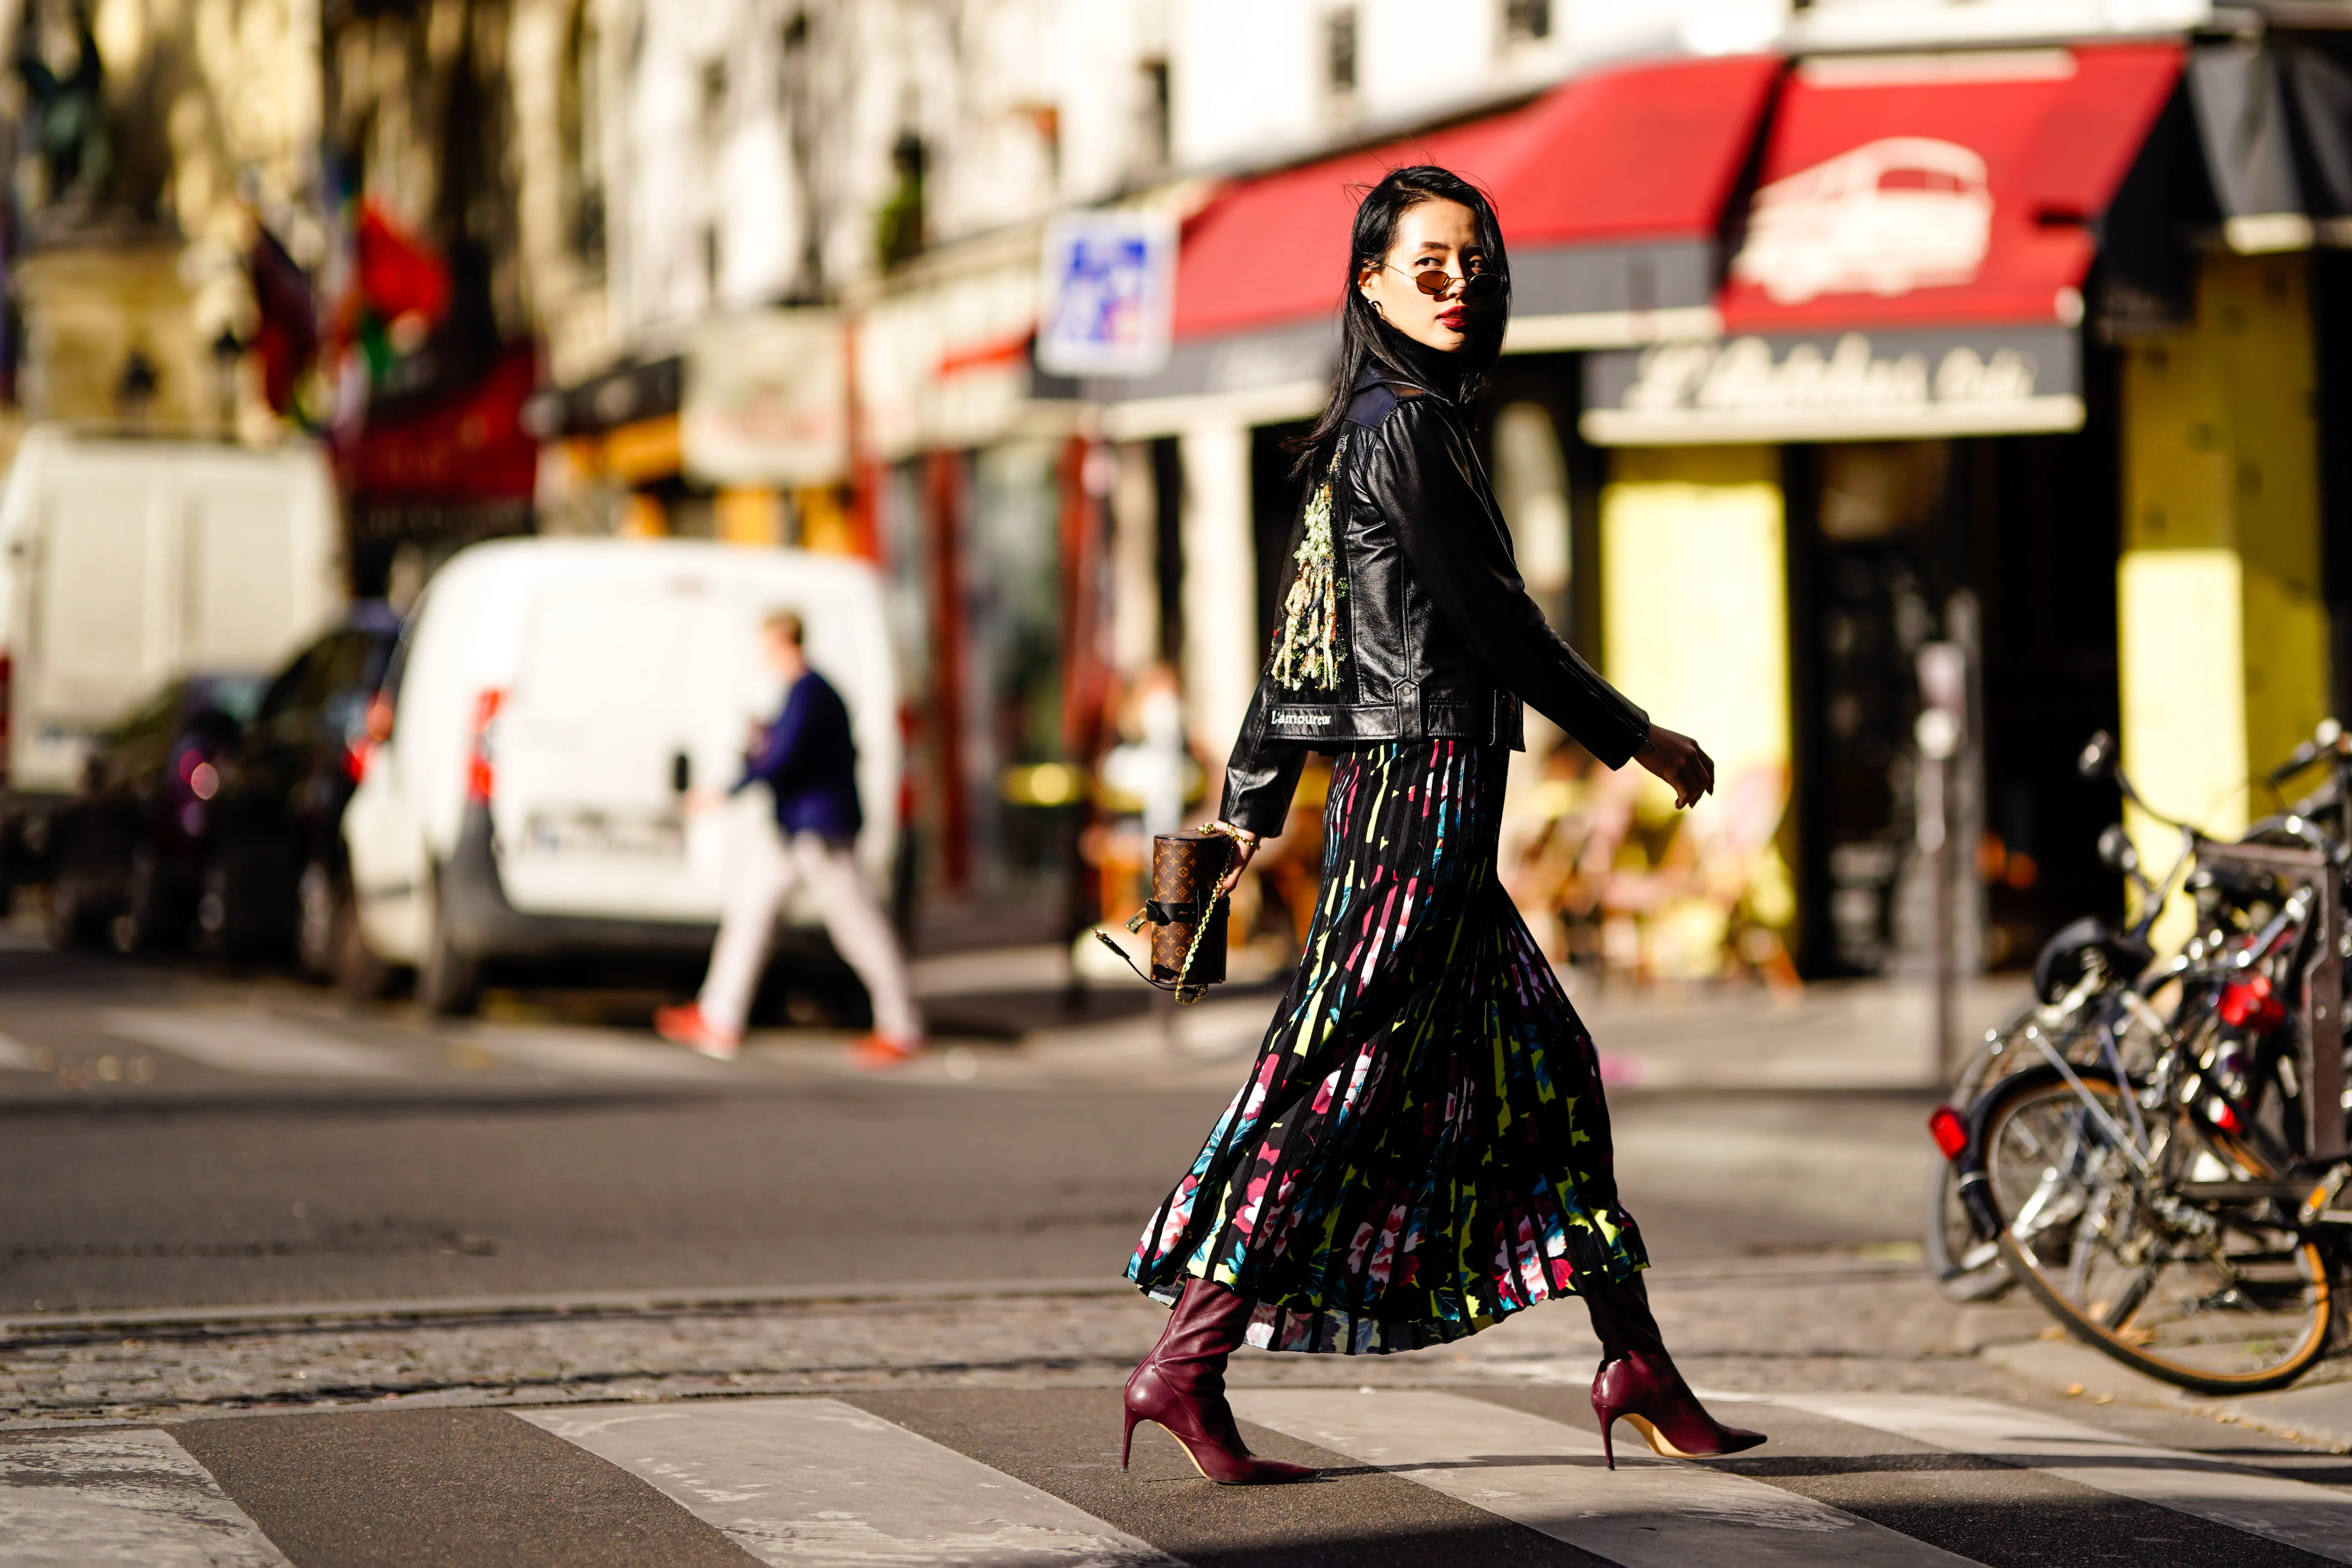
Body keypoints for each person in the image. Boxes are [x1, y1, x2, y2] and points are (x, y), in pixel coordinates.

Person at [1118, 166, 1766, 1485]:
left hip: (1428, 788)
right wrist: (1632, 734)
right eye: (1426, 264)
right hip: (1417, 786)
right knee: (1335, 1074)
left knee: (1547, 1074)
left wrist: (1249, 808)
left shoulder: (1381, 421)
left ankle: (1632, 1355)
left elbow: (1304, 640)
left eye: (1472, 262)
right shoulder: (1400, 428)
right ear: (1369, 283)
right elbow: (1485, 622)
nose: (1456, 283)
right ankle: (1185, 1356)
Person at [654, 611, 922, 1070]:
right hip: (799, 829)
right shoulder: (808, 692)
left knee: (857, 928)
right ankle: (720, 1014)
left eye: (766, 643)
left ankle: (901, 1025)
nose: (762, 653)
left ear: (784, 640)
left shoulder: (810, 692)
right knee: (750, 910)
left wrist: (727, 789)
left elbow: (782, 758)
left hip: (816, 831)